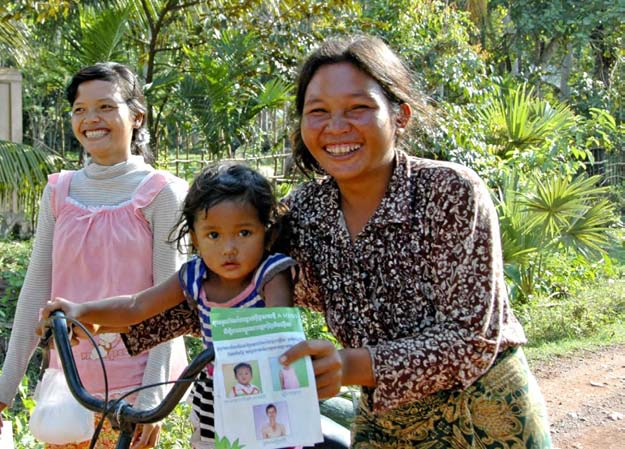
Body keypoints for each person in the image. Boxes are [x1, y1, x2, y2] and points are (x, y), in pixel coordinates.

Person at [277, 35, 553, 448]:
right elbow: (236, 276)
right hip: (387, 422)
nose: (336, 127)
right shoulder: (304, 210)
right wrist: (142, 316)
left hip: (482, 418)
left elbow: (472, 339)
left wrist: (350, 365)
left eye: (359, 108)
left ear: (400, 116)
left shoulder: (450, 192)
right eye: (318, 112)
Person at [38, 163, 296, 449]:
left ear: (267, 233)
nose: (229, 248)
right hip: (213, 402)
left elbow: (279, 331)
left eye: (244, 233)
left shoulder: (271, 275)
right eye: (214, 235)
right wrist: (81, 311)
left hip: (265, 397)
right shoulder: (195, 275)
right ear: (195, 238)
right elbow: (137, 306)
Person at [0, 62, 188, 449]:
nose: (91, 119)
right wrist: (5, 388)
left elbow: (171, 302)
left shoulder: (162, 192)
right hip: (68, 381)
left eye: (105, 107)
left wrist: (152, 402)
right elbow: (37, 288)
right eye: (79, 109)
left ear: (136, 116)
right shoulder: (59, 191)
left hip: (137, 389)